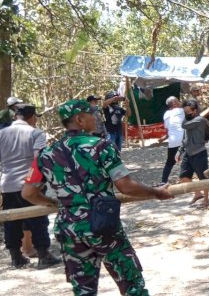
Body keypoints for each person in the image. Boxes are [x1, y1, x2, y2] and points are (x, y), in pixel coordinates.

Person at [23, 99, 173, 295]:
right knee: (132, 284)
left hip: (69, 229)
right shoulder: (101, 146)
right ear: (79, 119)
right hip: (103, 225)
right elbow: (125, 186)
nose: (96, 118)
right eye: (92, 114)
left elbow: (28, 193)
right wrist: (156, 193)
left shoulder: (45, 154)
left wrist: (53, 203)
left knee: (83, 289)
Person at [0, 104, 62, 269]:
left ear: (15, 117)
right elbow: (39, 158)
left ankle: (16, 257)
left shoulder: (1, 134)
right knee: (38, 220)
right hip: (29, 183)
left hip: (7, 184)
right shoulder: (36, 133)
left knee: (11, 221)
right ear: (32, 117)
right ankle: (43, 255)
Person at [177, 99, 209, 208]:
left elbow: (184, 126)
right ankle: (197, 194)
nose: (186, 114)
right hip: (188, 153)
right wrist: (179, 151)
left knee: (203, 178)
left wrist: (185, 118)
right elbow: (185, 137)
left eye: (188, 111)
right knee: (183, 176)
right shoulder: (188, 120)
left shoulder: (199, 120)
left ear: (195, 111)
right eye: (185, 112)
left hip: (199, 152)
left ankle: (206, 200)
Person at [157, 96, 184, 187]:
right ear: (175, 103)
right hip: (184, 139)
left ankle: (163, 181)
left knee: (169, 162)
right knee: (193, 158)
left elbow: (169, 130)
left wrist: (164, 138)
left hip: (173, 141)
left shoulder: (166, 114)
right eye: (178, 101)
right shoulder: (182, 111)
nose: (180, 102)